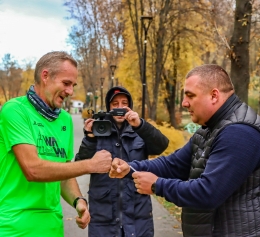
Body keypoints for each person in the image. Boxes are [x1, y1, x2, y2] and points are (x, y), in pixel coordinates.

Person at [109, 64, 260, 237]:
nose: (184, 103)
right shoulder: (209, 129)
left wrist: (157, 185)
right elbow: (173, 165)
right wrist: (129, 168)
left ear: (214, 95)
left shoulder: (239, 132)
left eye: (190, 95)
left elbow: (208, 193)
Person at [0, 51, 112, 237]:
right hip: (14, 226)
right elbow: (32, 169)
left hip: (53, 227)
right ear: (45, 76)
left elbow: (64, 173)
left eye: (73, 85)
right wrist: (89, 165)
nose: (70, 91)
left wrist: (79, 201)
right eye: (66, 83)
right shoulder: (15, 111)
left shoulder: (65, 120)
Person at [75, 86, 169, 237]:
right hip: (103, 217)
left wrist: (140, 125)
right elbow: (81, 163)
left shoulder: (139, 131)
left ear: (130, 107)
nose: (120, 108)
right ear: (108, 108)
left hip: (138, 215)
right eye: (115, 104)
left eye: (124, 103)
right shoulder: (99, 130)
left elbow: (162, 145)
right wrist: (90, 137)